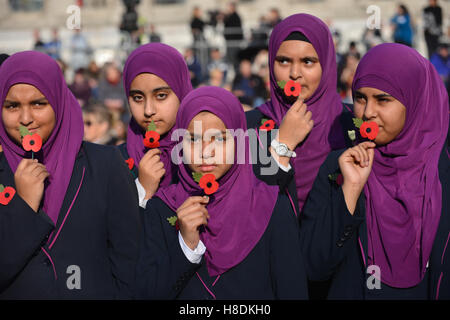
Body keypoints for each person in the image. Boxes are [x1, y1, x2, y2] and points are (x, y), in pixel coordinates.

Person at [300, 43, 449, 299]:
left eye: (383, 100)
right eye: (360, 98)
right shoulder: (340, 166)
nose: (368, 112)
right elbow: (314, 266)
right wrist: (349, 192)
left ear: (416, 101)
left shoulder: (443, 172)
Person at [136, 86, 308, 299]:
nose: (206, 152)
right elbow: (146, 293)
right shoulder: (162, 208)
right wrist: (186, 246)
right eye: (193, 139)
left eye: (220, 139)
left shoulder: (270, 205)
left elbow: (292, 290)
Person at [0, 51, 141, 299]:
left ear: (58, 101)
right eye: (12, 106)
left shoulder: (105, 165)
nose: (25, 119)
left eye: (38, 104)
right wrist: (23, 207)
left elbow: (129, 263)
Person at [119, 43, 192, 209]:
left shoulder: (205, 153)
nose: (148, 110)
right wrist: (141, 190)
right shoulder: (116, 161)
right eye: (138, 98)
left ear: (181, 91)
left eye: (161, 96)